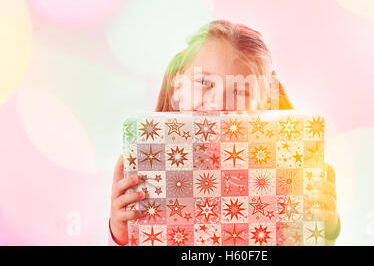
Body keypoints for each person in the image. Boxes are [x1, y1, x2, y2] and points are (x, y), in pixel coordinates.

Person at [109, 20, 340, 245]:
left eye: (239, 91)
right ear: (178, 88)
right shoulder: (147, 162)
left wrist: (322, 233)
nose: (218, 102)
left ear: (263, 105)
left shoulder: (285, 172)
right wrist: (120, 234)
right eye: (204, 83)